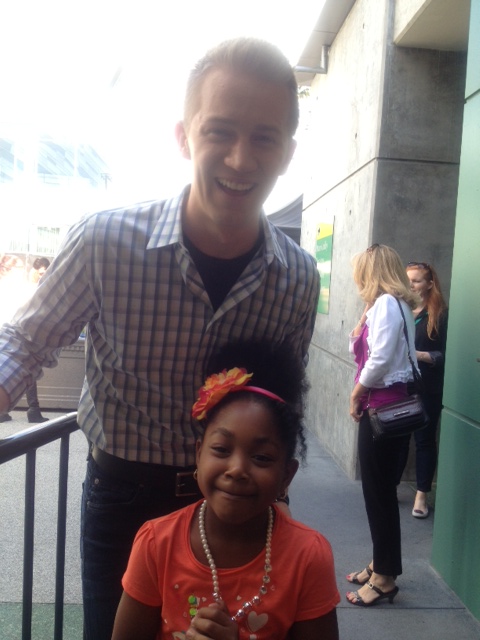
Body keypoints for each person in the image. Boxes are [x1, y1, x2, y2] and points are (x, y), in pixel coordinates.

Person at [0, 38, 320, 639]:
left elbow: (280, 404)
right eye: (220, 131)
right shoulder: (104, 241)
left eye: (264, 137)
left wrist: (279, 520)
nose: (241, 158)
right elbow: (24, 341)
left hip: (239, 508)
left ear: (287, 153)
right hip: (125, 497)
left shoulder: (297, 277)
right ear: (184, 136)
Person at [112, 341, 340, 640]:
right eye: (221, 449)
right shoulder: (156, 544)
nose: (237, 469)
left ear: (287, 475)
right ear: (198, 455)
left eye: (261, 457)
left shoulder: (308, 557)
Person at [346, 243, 420, 607]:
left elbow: (378, 360)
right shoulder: (388, 305)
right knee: (381, 492)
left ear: (371, 271)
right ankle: (380, 561)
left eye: (361, 271)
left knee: (379, 494)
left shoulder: (388, 305)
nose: (357, 278)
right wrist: (362, 320)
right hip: (390, 407)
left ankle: (385, 577)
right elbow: (360, 350)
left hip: (383, 409)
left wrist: (356, 393)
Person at [396, 262, 448, 518]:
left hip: (428, 387)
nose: (410, 285)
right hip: (401, 385)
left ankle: (421, 495)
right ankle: (392, 486)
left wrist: (421, 355)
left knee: (424, 440)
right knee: (398, 438)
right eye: (407, 280)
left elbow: (447, 355)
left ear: (429, 283)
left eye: (416, 281)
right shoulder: (399, 308)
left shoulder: (440, 314)